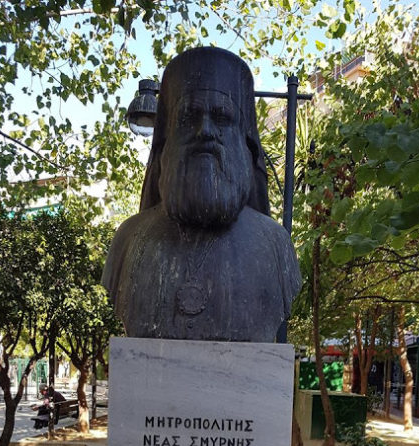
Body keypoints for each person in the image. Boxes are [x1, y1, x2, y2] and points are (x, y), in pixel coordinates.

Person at [102, 47, 301, 343]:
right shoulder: (129, 240)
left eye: (221, 118)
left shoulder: (275, 246)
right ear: (166, 140)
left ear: (245, 143)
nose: (205, 130)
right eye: (189, 117)